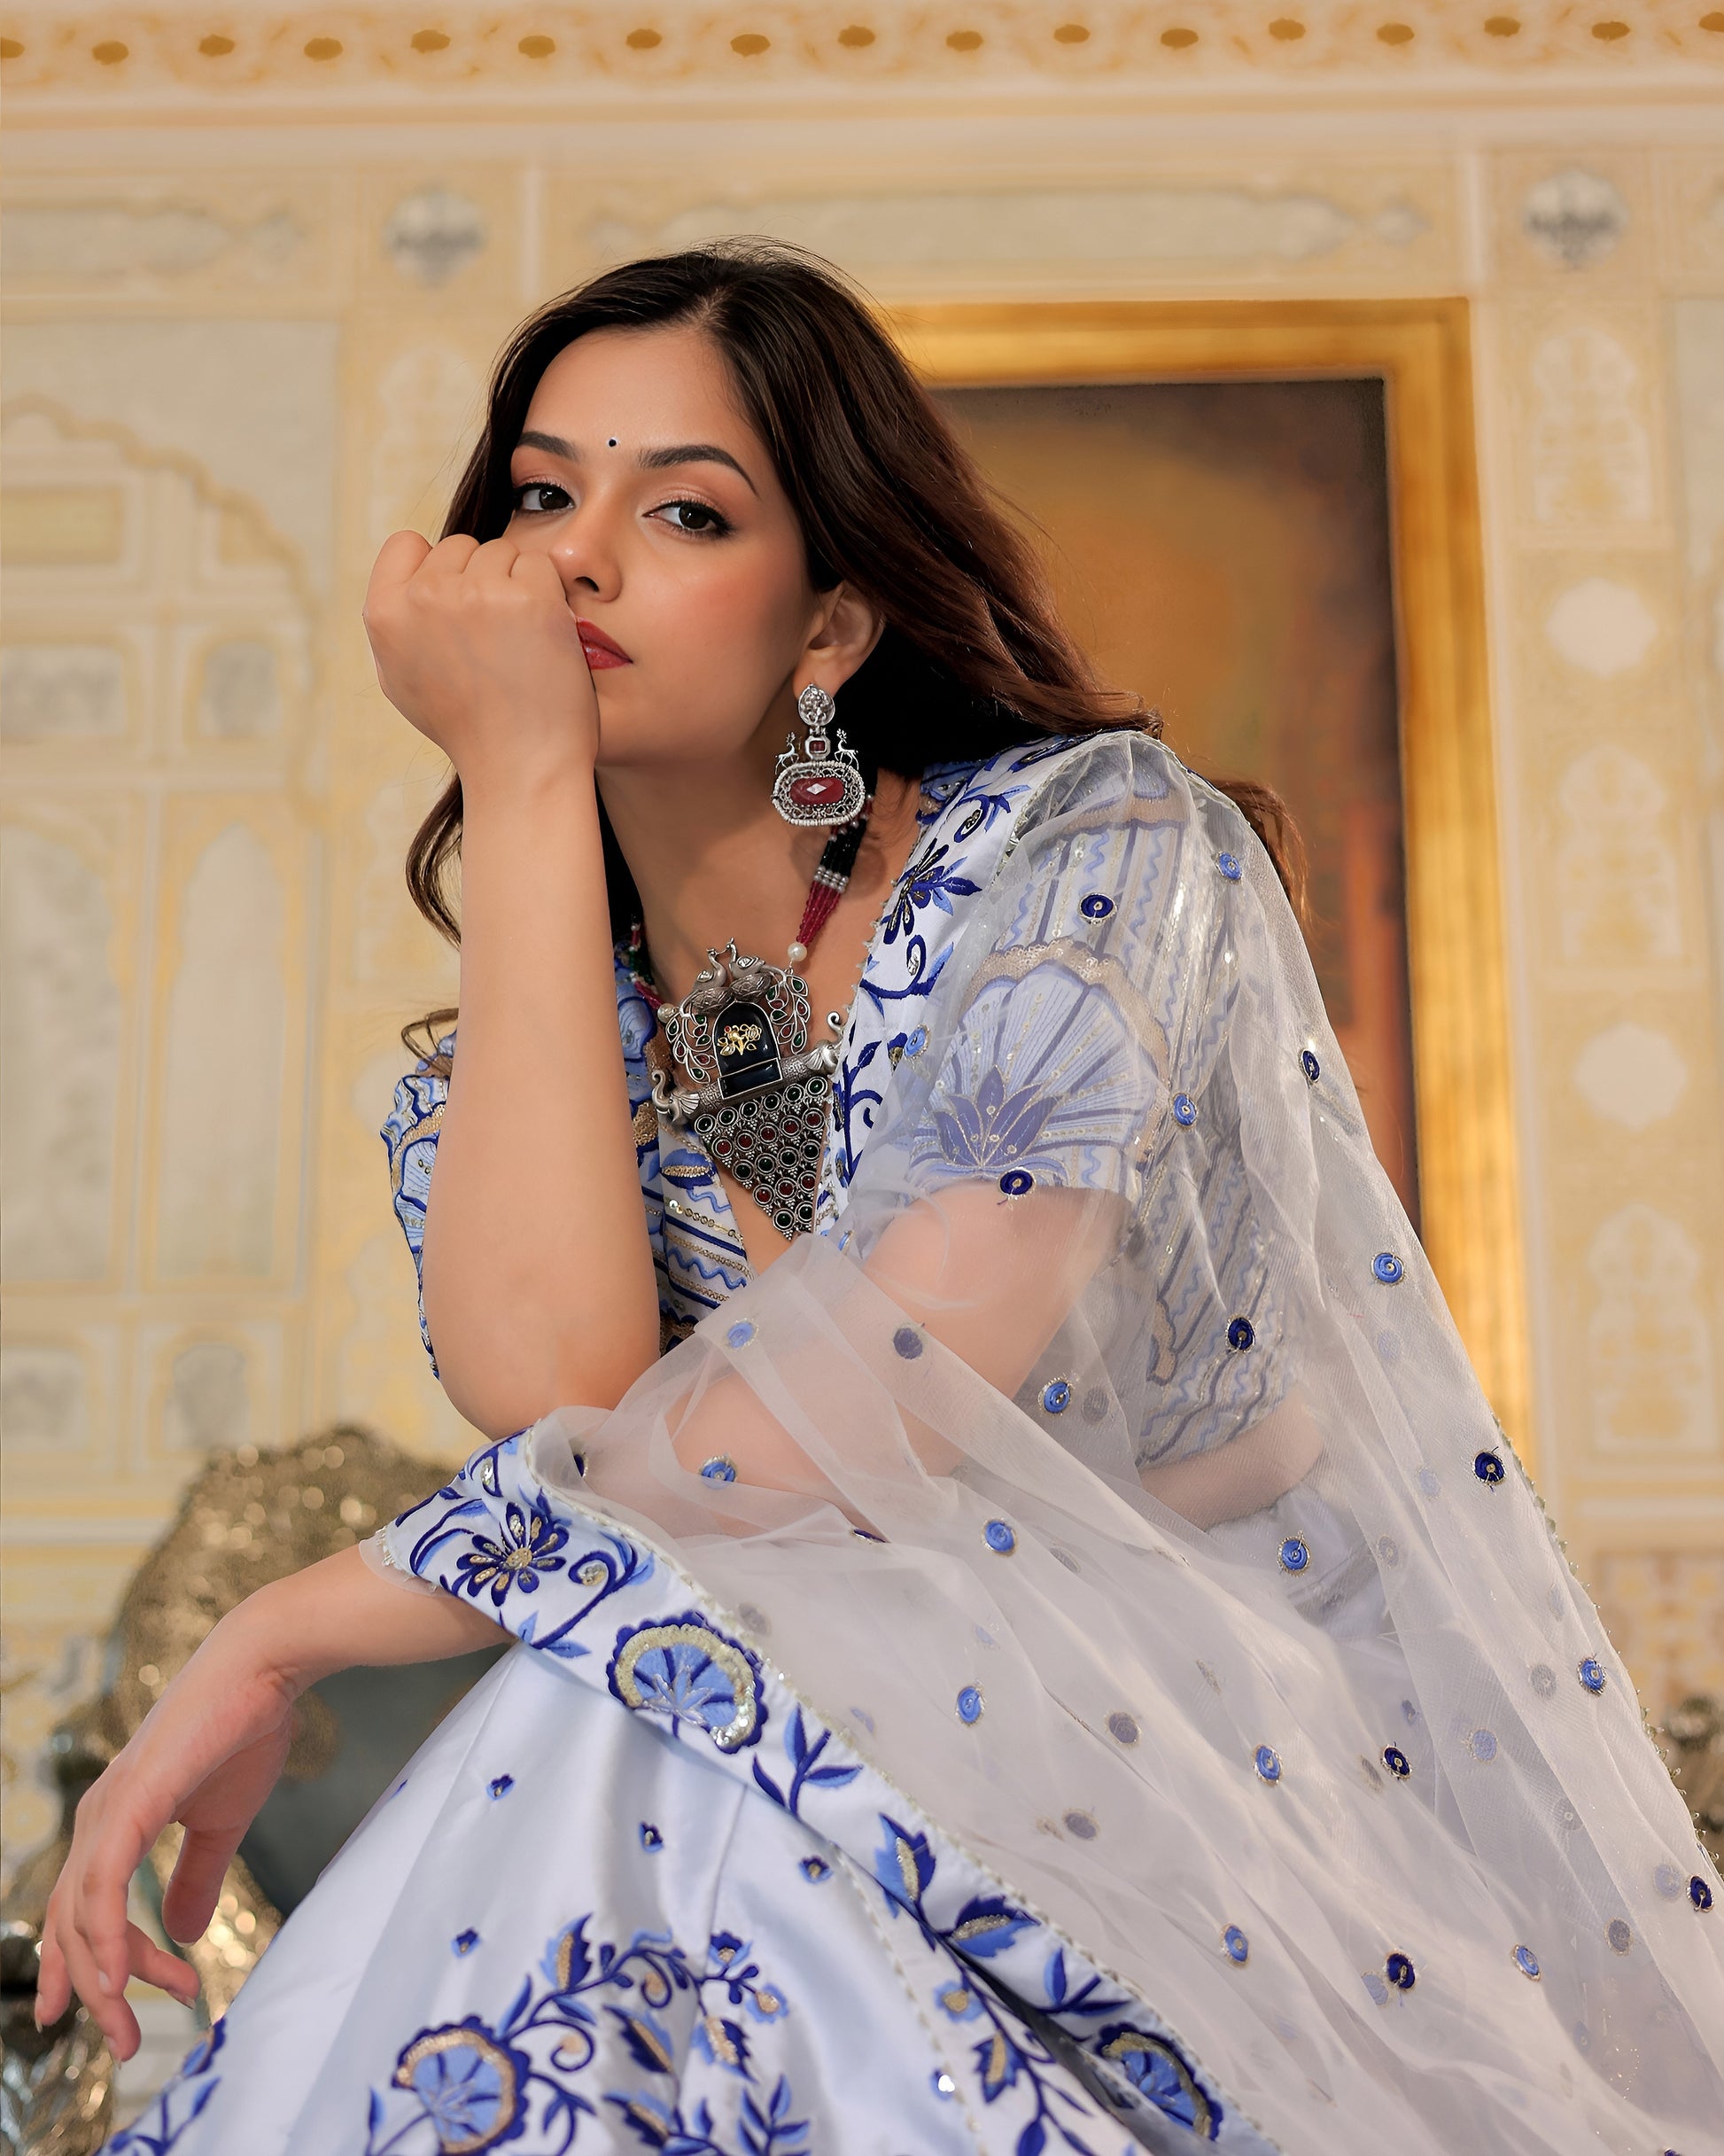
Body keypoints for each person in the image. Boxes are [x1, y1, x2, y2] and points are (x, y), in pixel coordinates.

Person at [38, 242, 1722, 2156]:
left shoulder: (1093, 857)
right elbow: (569, 1390)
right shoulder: (526, 1042)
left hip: (1194, 1743)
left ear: (827, 628)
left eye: (679, 508)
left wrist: (298, 1621)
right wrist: (519, 785)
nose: (573, 560)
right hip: (799, 1749)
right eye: (533, 497)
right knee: (675, 1698)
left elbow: (876, 1409)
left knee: (663, 1701)